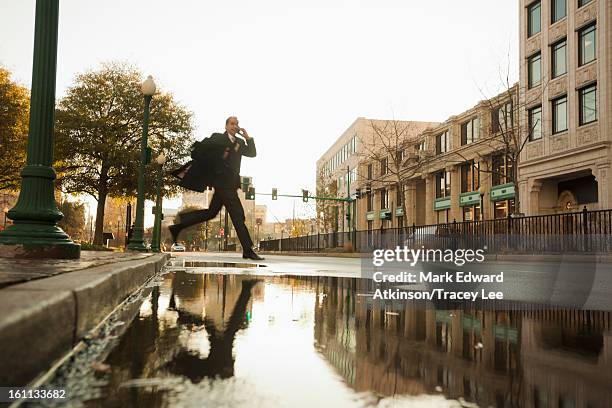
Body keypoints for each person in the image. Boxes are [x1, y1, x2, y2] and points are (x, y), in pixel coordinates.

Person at [169, 116, 264, 260]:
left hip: (230, 184)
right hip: (222, 183)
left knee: (211, 213)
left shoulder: (239, 142)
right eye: (232, 124)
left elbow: (252, 153)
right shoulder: (218, 138)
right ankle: (248, 250)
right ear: (226, 126)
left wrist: (248, 138)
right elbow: (202, 151)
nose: (235, 126)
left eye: (236, 124)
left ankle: (179, 225)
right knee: (238, 215)